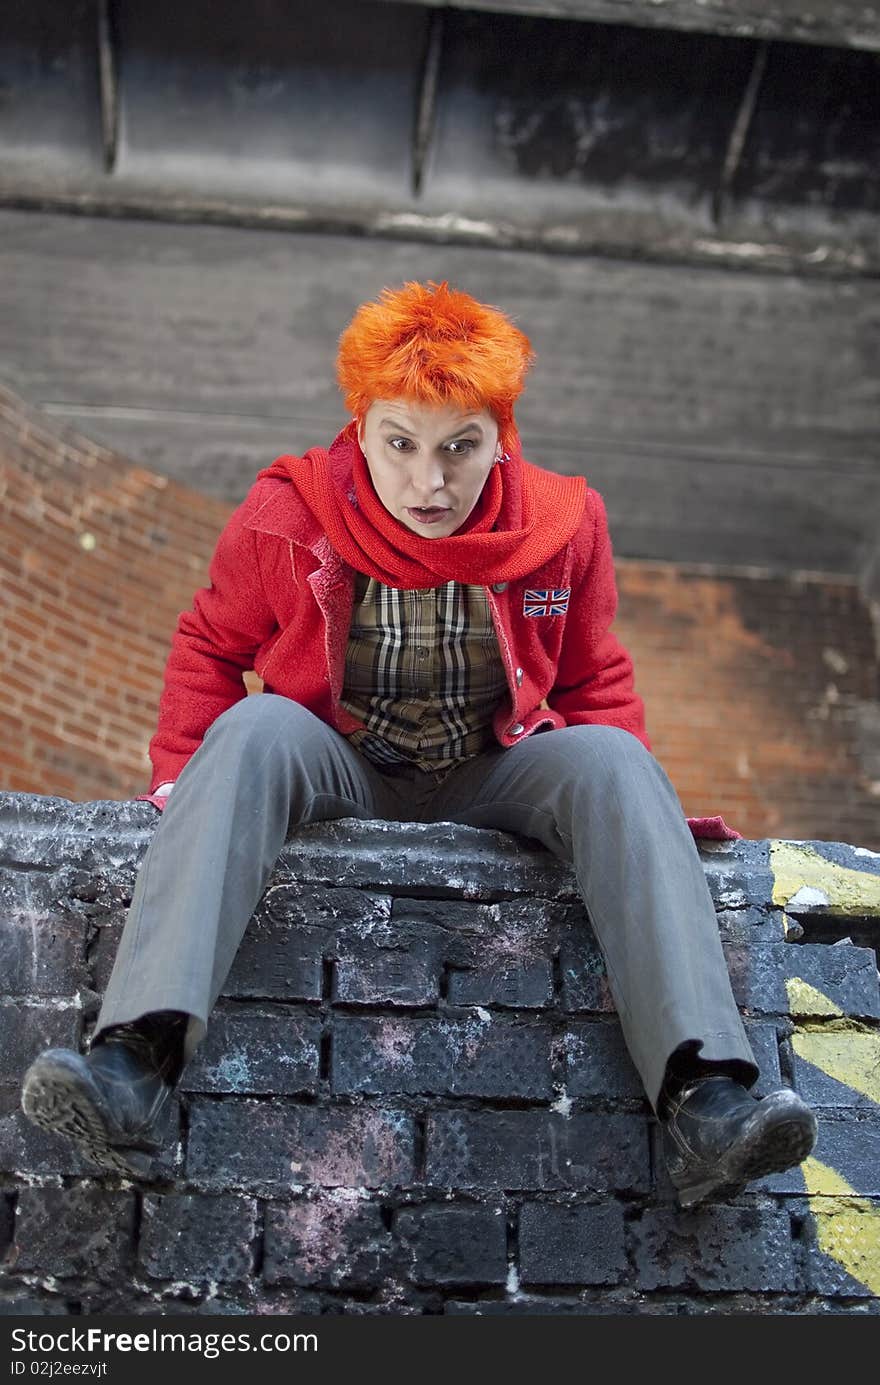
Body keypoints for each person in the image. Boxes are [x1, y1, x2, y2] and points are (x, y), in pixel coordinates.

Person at [21, 280, 816, 1207]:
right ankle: (134, 1067)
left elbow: (595, 681)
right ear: (360, 428)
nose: (427, 482)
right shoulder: (289, 514)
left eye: (459, 447)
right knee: (251, 726)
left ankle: (704, 1102)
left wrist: (633, 824)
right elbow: (210, 645)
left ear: (500, 435)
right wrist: (179, 793)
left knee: (616, 760)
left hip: (494, 767)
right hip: (340, 761)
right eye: (400, 443)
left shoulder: (562, 527)